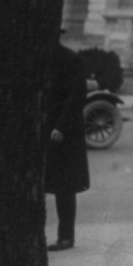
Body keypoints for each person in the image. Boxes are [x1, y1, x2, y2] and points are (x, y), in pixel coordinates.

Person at [44, 43, 90, 252]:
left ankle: (66, 236)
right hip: (45, 128)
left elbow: (76, 97)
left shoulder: (71, 60)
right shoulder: (39, 55)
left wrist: (61, 127)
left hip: (64, 133)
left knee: (64, 187)